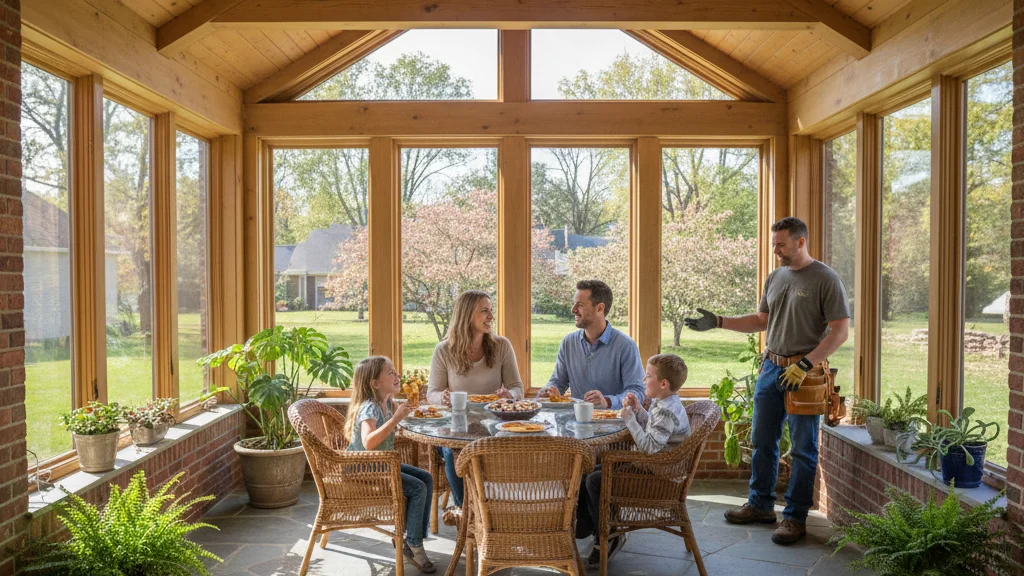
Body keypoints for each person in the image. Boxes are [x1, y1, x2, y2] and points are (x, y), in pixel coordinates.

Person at [684, 216, 850, 545]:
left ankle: (795, 517)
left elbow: (840, 331)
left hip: (805, 374)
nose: (776, 250)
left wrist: (805, 364)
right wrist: (718, 321)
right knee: (763, 442)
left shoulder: (825, 279)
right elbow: (761, 320)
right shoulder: (775, 277)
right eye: (774, 244)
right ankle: (760, 505)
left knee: (803, 449)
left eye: (781, 244)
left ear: (801, 242)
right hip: (772, 368)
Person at [576, 354, 691, 566]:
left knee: (594, 480)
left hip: (658, 476)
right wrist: (639, 411)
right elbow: (656, 433)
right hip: (654, 466)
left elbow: (648, 447)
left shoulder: (666, 411)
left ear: (663, 383)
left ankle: (606, 537)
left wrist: (629, 419)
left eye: (648, 376)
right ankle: (586, 526)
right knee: (589, 470)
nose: (643, 380)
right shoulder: (665, 403)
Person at [425, 290, 523, 519]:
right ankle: (466, 513)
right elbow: (432, 393)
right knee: (452, 451)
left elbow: (517, 387)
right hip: (455, 425)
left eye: (491, 310)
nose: (491, 316)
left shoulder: (501, 346)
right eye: (485, 311)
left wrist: (510, 395)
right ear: (468, 315)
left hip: (492, 426)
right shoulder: (444, 350)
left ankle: (498, 511)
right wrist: (443, 398)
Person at [345, 356, 437, 573]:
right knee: (417, 489)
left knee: (426, 478)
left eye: (396, 371)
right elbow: (368, 443)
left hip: (381, 465)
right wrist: (395, 419)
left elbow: (394, 425)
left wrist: (407, 414)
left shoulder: (385, 403)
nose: (397, 375)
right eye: (391, 373)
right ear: (375, 384)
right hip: (363, 468)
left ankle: (410, 538)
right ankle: (414, 544)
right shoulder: (369, 408)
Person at [539, 279, 645, 409]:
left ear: (600, 308)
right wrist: (548, 391)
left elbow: (638, 391)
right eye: (574, 304)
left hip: (615, 424)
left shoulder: (625, 346)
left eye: (580, 305)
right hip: (576, 423)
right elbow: (558, 381)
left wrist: (608, 401)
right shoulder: (568, 343)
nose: (573, 310)